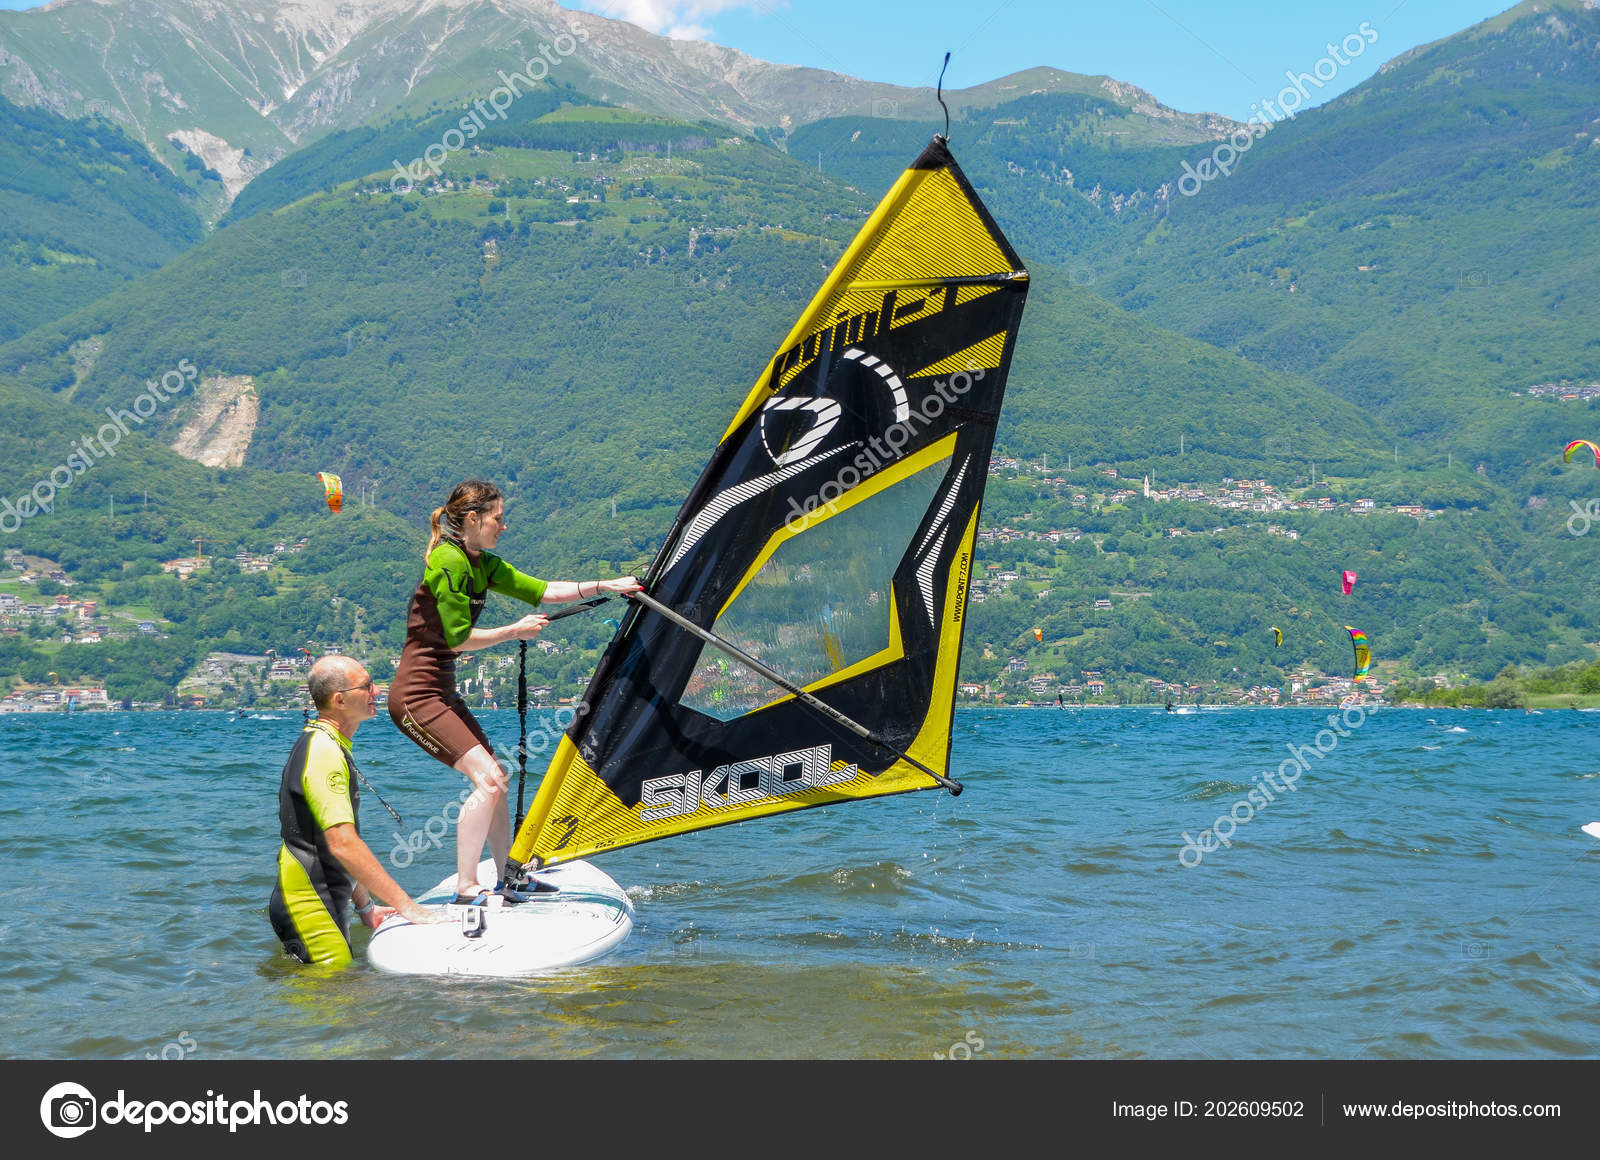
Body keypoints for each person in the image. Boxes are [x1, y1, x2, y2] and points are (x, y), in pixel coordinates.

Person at [389, 479, 640, 902]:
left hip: (442, 694)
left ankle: (511, 876)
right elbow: (455, 639)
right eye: (497, 519)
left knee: (497, 778)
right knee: (488, 782)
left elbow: (542, 591)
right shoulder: (447, 560)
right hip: (416, 698)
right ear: (473, 519)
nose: (503, 527)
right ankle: (468, 887)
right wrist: (513, 631)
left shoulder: (482, 563)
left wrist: (606, 585)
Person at [269, 655, 441, 966]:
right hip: (310, 906)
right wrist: (408, 907)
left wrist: (365, 908)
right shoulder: (323, 752)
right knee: (335, 1002)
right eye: (366, 686)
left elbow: (333, 843)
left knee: (339, 1001)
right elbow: (343, 844)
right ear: (339, 700)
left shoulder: (326, 743)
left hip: (312, 899)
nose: (376, 691)